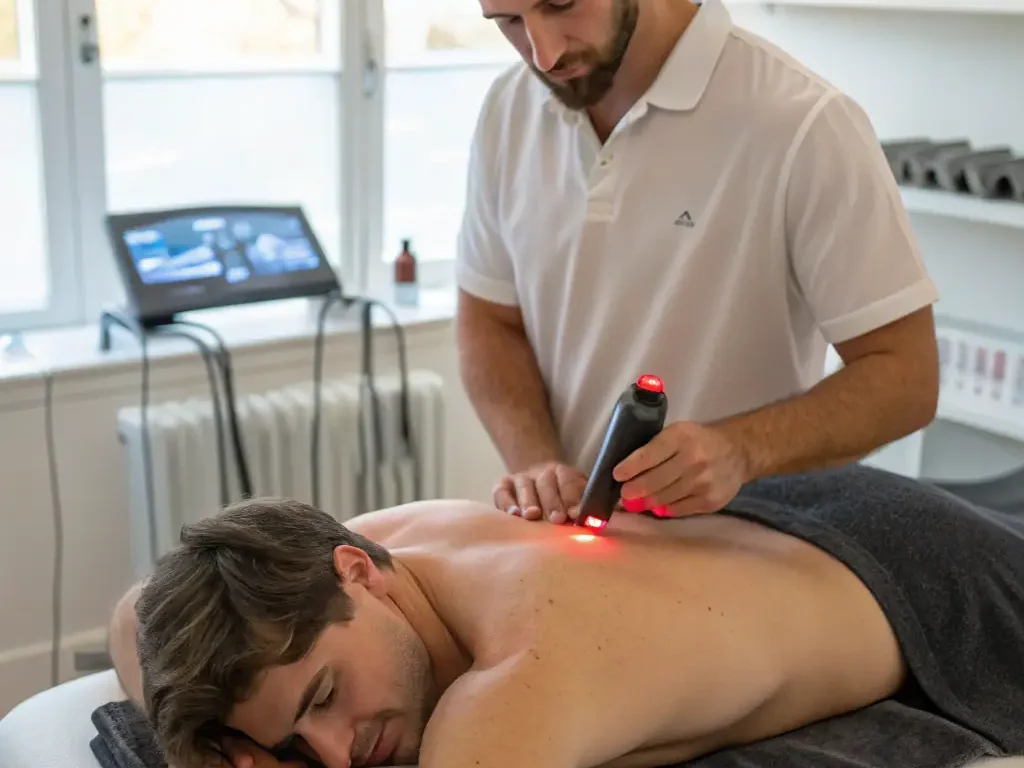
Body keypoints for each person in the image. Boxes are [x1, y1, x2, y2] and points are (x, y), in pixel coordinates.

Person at [106, 464, 1024, 768]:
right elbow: (133, 614)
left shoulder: (517, 682)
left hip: (929, 582)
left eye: (325, 696)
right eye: (296, 746)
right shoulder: (373, 552)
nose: (339, 753)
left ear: (357, 573)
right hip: (773, 524)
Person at [454, 0, 942, 525]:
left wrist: (742, 449)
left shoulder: (802, 124)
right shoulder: (510, 108)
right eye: (508, 21)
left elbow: (906, 377)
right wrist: (539, 465)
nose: (544, 55)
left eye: (562, 4)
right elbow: (490, 321)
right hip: (576, 551)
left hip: (750, 556)